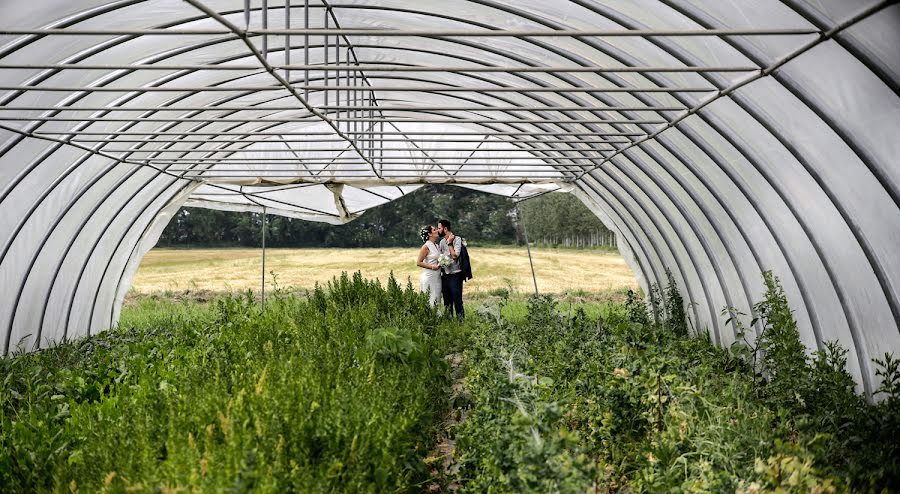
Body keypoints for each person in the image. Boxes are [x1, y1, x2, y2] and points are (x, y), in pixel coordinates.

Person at [437, 219, 464, 320]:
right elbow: (440, 257)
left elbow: (455, 256)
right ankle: (449, 322)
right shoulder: (441, 242)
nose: (438, 230)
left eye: (439, 228)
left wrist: (449, 243)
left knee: (457, 300)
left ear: (445, 228)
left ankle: (461, 322)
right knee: (447, 301)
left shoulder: (457, 239)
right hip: (445, 276)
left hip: (455, 275)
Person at [416, 225, 442, 306]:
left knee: (437, 299)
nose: (437, 230)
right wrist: (432, 267)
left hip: (437, 277)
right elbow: (419, 262)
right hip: (429, 276)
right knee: (430, 300)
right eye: (434, 230)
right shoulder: (426, 246)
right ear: (430, 234)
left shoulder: (437, 246)